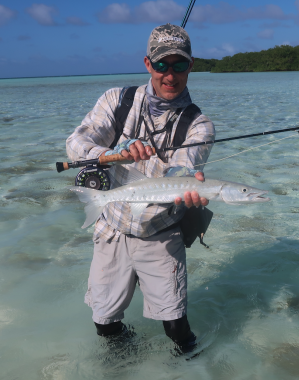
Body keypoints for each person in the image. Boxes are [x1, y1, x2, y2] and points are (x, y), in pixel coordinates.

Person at [66, 23, 215, 353]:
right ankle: (129, 362)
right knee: (104, 324)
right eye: (162, 64)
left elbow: (184, 167)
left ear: (190, 66)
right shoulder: (116, 100)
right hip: (113, 228)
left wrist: (185, 183)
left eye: (179, 65)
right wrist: (112, 154)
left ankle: (195, 368)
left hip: (161, 233)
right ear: (148, 64)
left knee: (176, 327)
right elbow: (75, 145)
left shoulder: (200, 125)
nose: (170, 75)